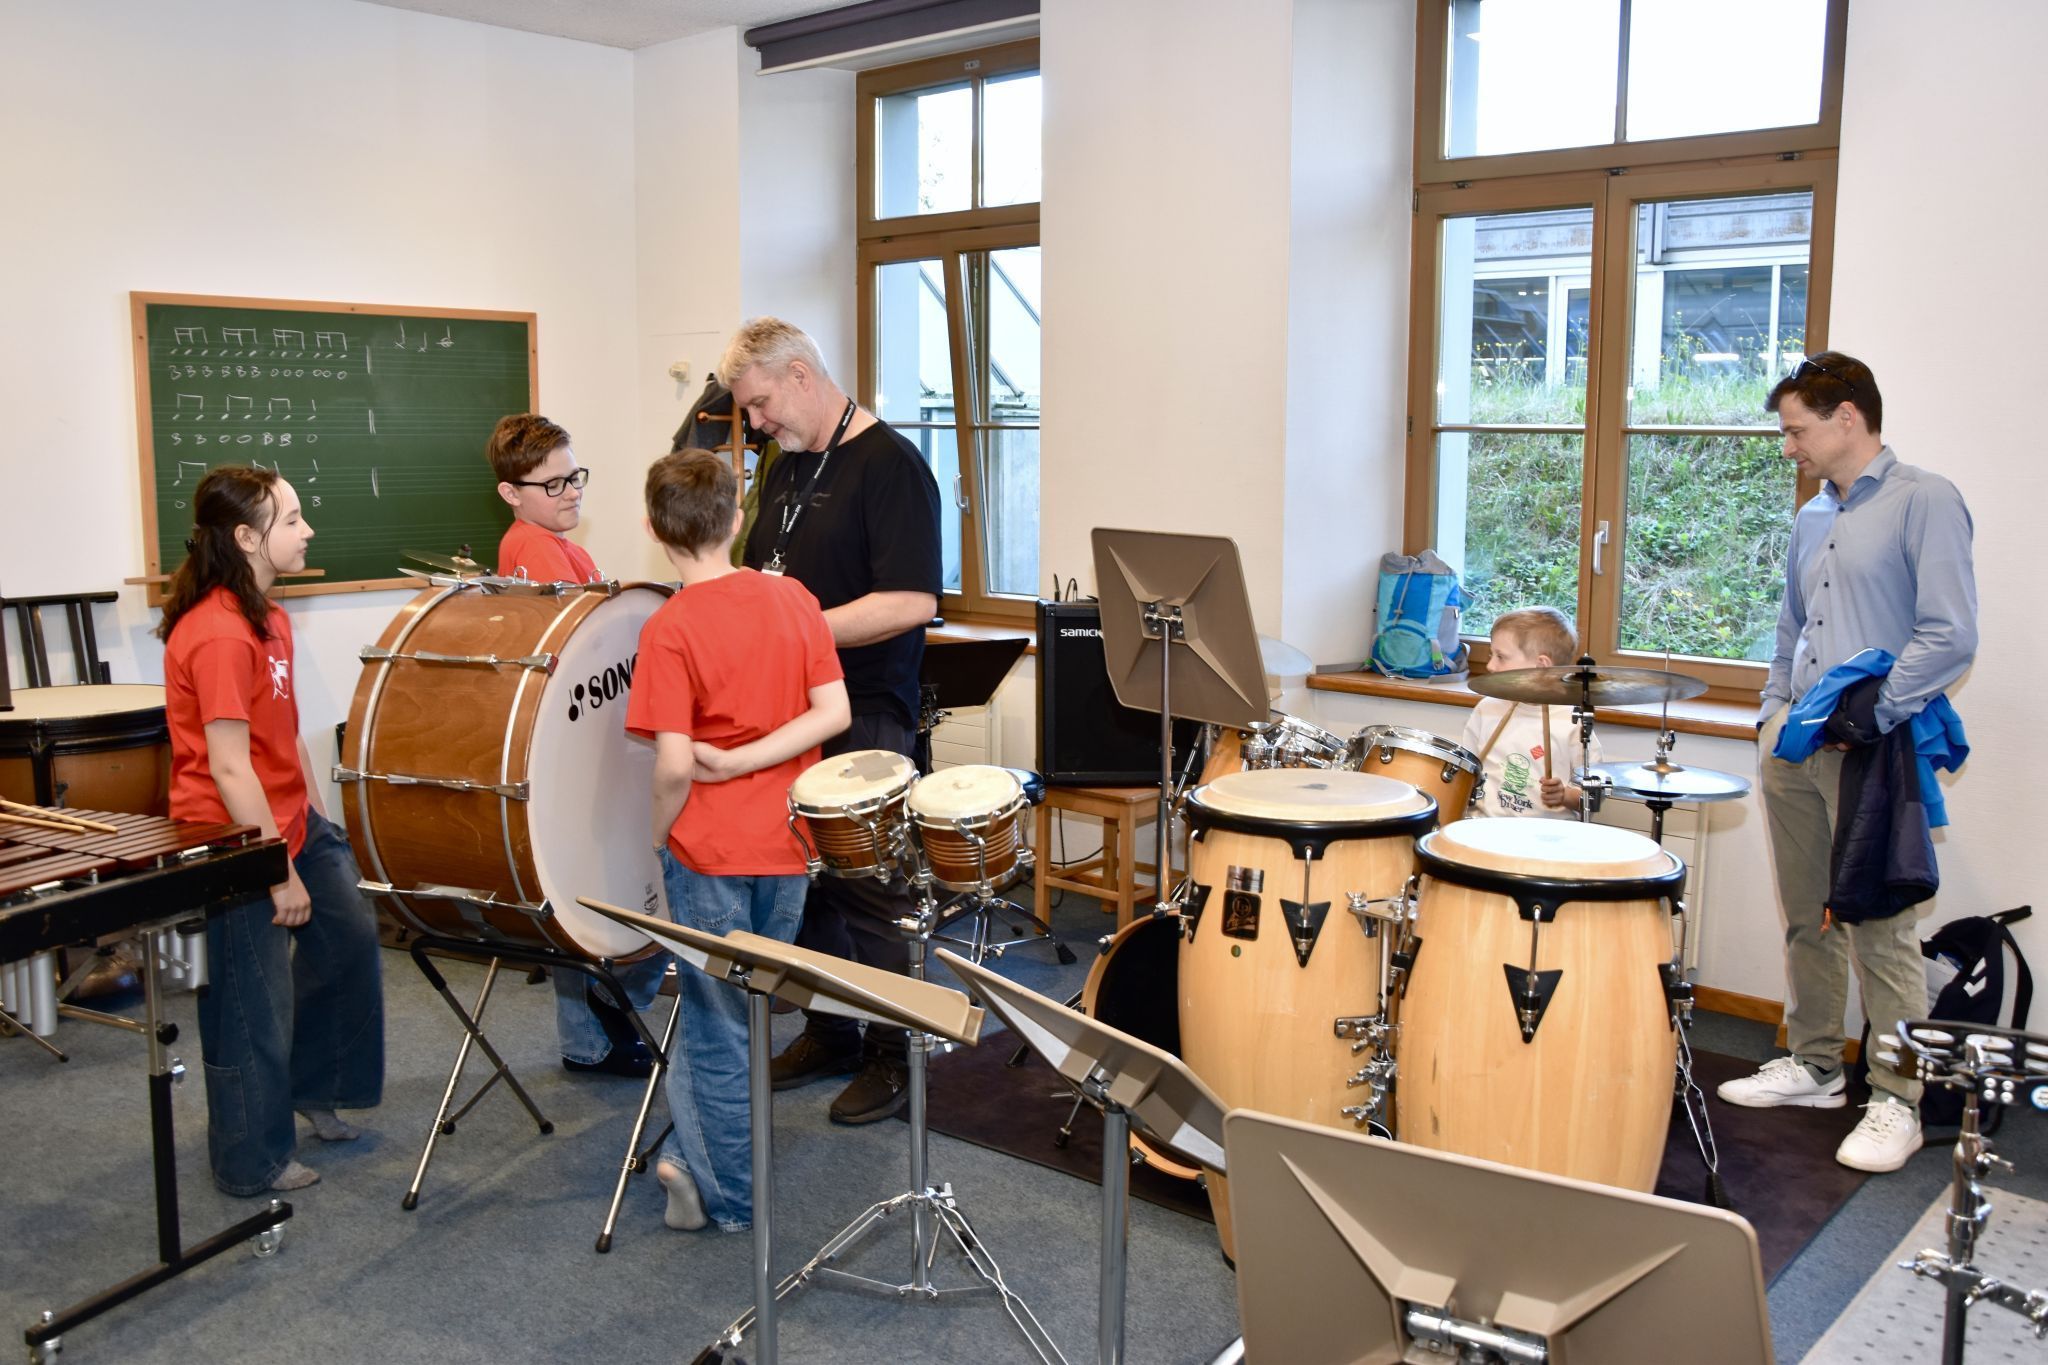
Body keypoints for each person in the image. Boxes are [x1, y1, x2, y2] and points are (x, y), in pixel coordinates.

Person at [1717, 352, 1978, 1174]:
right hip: (1793, 746)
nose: (1788, 446)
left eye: (1796, 430)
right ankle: (1819, 1064)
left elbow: (1951, 634)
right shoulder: (1810, 518)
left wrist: (1876, 711)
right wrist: (1772, 715)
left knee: (1881, 924)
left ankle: (1897, 1096)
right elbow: (1791, 629)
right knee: (1807, 913)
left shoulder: (1923, 500)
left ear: (1847, 418)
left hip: (1872, 750)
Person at [721, 317, 943, 1124]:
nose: (755, 424)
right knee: (799, 883)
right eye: (748, 410)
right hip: (790, 707)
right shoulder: (786, 462)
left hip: (867, 706)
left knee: (869, 888)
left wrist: (797, 630)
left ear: (803, 376)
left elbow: (912, 601)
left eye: (761, 403)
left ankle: (897, 1052)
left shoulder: (891, 466)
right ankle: (832, 1028)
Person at [625, 449, 850, 1231]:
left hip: (709, 851)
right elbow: (833, 713)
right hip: (788, 842)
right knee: (744, 1011)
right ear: (736, 515)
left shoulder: (669, 627)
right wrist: (761, 760)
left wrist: (659, 835)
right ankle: (692, 1160)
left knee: (716, 1021)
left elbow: (675, 765)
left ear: (656, 529)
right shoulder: (794, 598)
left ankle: (728, 1197)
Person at [157, 466, 384, 1195]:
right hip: (232, 838)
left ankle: (316, 1085)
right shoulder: (219, 632)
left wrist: (314, 824)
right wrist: (275, 868)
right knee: (249, 1003)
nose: (306, 529)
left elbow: (277, 738)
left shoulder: (269, 614)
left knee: (347, 939)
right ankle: (249, 1158)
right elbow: (227, 768)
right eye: (291, 519)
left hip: (289, 819)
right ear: (247, 536)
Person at [485, 412, 659, 1078]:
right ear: (511, 491)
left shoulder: (558, 546)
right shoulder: (533, 551)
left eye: (574, 476)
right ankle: (590, 1032)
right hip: (566, 741)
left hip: (580, 736)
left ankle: (592, 1028)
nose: (570, 493)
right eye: (552, 483)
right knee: (586, 890)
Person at [1459, 606, 1596, 820]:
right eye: (1490, 654)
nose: (1490, 665)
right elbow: (1463, 772)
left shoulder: (1572, 722)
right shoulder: (1487, 709)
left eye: (1501, 657)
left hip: (1548, 841)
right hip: (1484, 831)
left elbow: (1593, 798)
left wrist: (1564, 795)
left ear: (1541, 666)